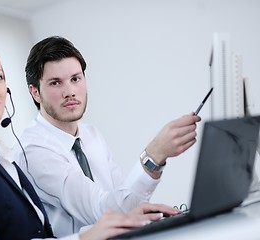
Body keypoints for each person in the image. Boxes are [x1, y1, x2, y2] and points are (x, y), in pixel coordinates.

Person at [0, 38, 181, 240]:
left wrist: (139, 215)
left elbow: (119, 205)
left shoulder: (2, 159)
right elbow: (105, 210)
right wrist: (153, 155)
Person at [17, 36, 201, 237]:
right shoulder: (33, 152)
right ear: (35, 92)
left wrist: (154, 216)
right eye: (55, 83)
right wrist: (154, 155)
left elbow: (125, 204)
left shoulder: (91, 134)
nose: (69, 91)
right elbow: (105, 213)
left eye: (75, 79)